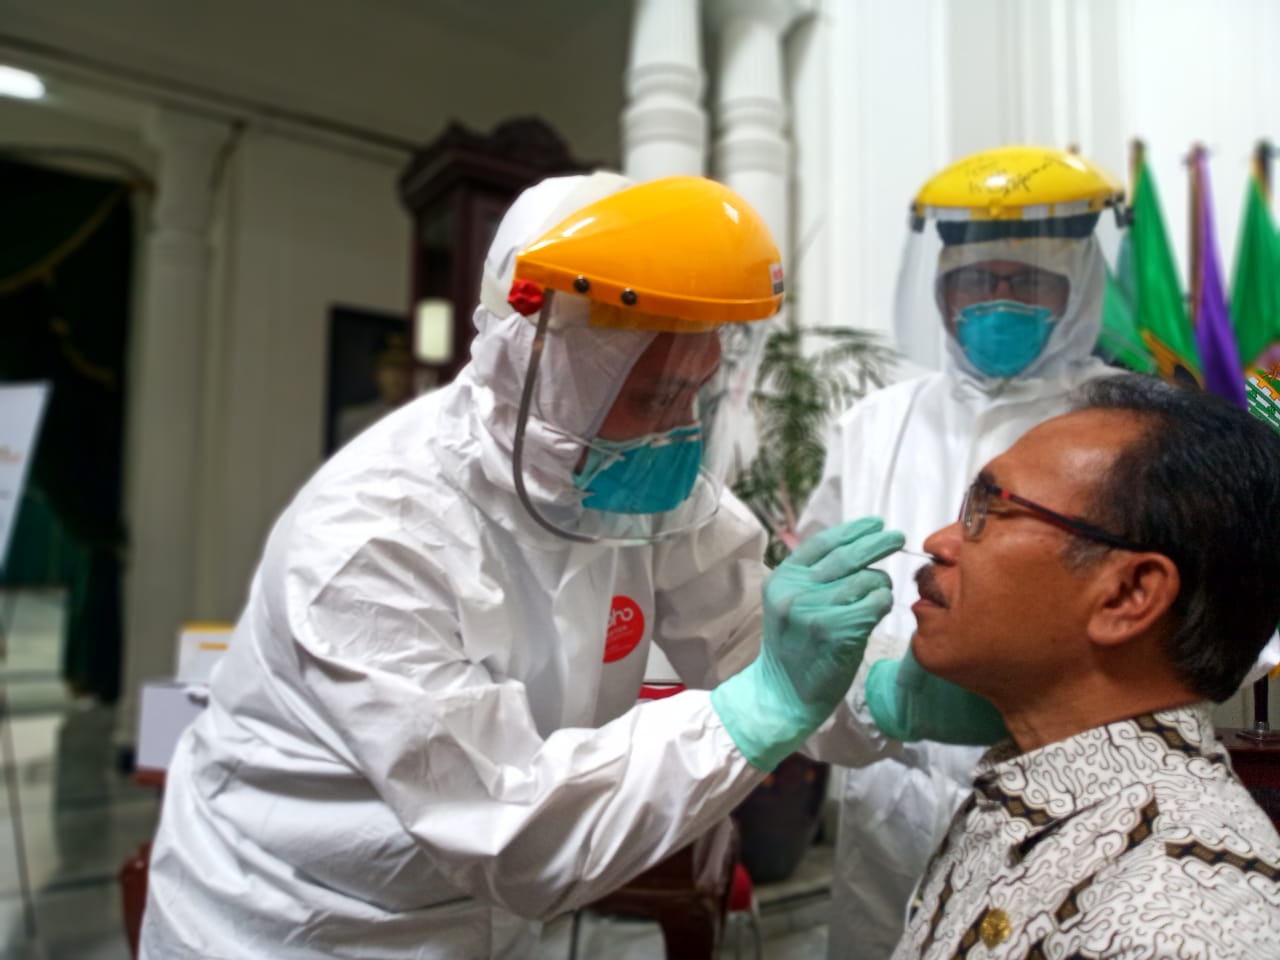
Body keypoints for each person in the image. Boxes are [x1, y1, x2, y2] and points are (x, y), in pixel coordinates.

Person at [139, 172, 905, 959]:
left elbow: (748, 627)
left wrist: (889, 694)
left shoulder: (628, 467)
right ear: (541, 359)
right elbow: (511, 826)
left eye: (695, 394)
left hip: (484, 925)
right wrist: (759, 708)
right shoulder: (371, 538)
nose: (680, 430)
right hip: (302, 925)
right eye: (653, 396)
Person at [799, 144, 1125, 958]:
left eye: (1028, 281)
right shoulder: (875, 421)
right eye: (977, 282)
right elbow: (818, 572)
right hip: (887, 785)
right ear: (941, 294)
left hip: (1066, 777)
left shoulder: (1123, 424)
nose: (998, 300)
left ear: (1077, 288)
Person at [876, 373, 1280, 958]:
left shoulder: (1177, 919)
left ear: (1128, 595)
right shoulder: (1027, 801)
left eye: (989, 508)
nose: (939, 541)